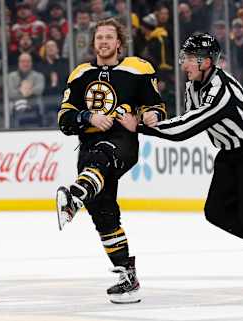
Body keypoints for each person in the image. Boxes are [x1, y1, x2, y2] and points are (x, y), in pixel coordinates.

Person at [118, 33, 243, 300]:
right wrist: (149, 115)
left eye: (187, 59)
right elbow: (185, 118)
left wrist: (140, 127)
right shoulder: (192, 85)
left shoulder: (221, 89)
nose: (183, 64)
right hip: (230, 154)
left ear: (206, 62)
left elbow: (187, 128)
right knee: (216, 212)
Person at [55, 18, 166, 304]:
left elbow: (156, 107)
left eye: (109, 37)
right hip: (87, 149)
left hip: (122, 144)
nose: (103, 42)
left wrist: (147, 118)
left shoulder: (138, 68)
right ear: (94, 43)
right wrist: (88, 117)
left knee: (102, 156)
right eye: (99, 38)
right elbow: (64, 119)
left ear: (119, 42)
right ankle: (127, 277)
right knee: (103, 214)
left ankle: (75, 196)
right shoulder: (80, 74)